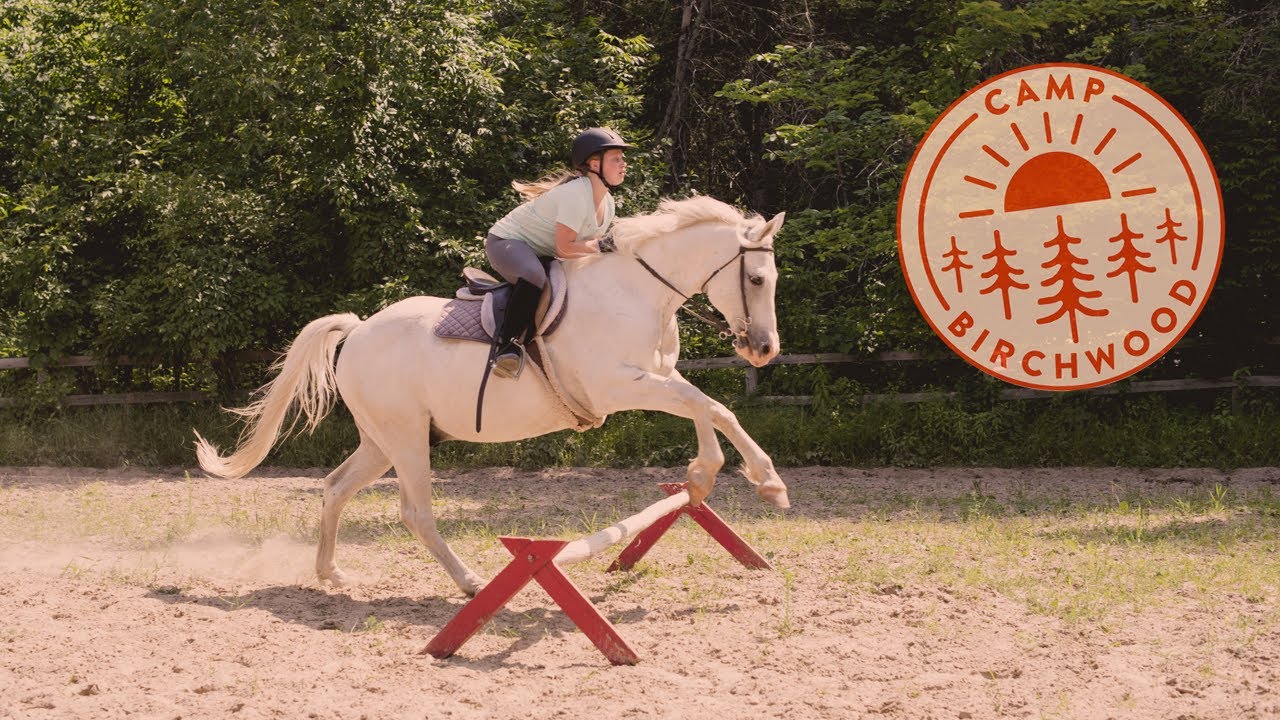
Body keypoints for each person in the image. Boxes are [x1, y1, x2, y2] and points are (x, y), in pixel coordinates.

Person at [484, 127, 631, 379]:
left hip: (543, 251)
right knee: (533, 275)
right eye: (616, 158)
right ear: (594, 165)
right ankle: (506, 348)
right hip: (506, 243)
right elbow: (566, 248)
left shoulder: (608, 202)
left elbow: (585, 250)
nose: (623, 164)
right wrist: (604, 246)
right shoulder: (576, 195)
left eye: (623, 158)